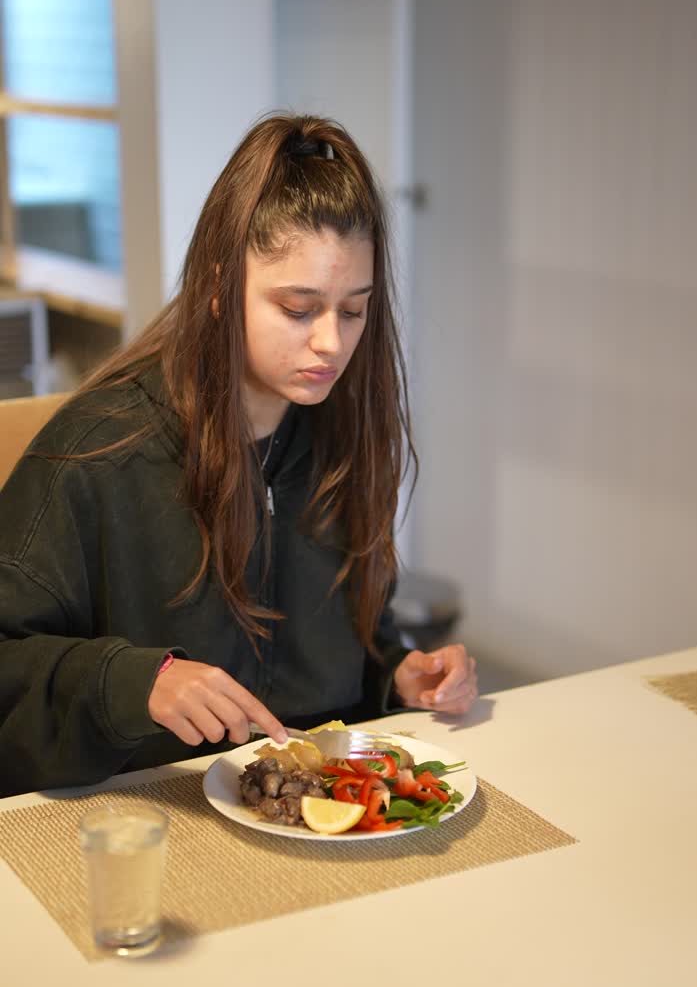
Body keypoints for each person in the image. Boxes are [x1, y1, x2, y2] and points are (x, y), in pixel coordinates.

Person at [0, 114, 477, 798]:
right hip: (152, 816)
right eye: (297, 307)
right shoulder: (99, 451)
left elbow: (347, 646)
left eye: (352, 311)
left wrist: (398, 673)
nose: (331, 345)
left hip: (315, 817)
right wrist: (139, 683)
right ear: (222, 287)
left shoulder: (338, 430)